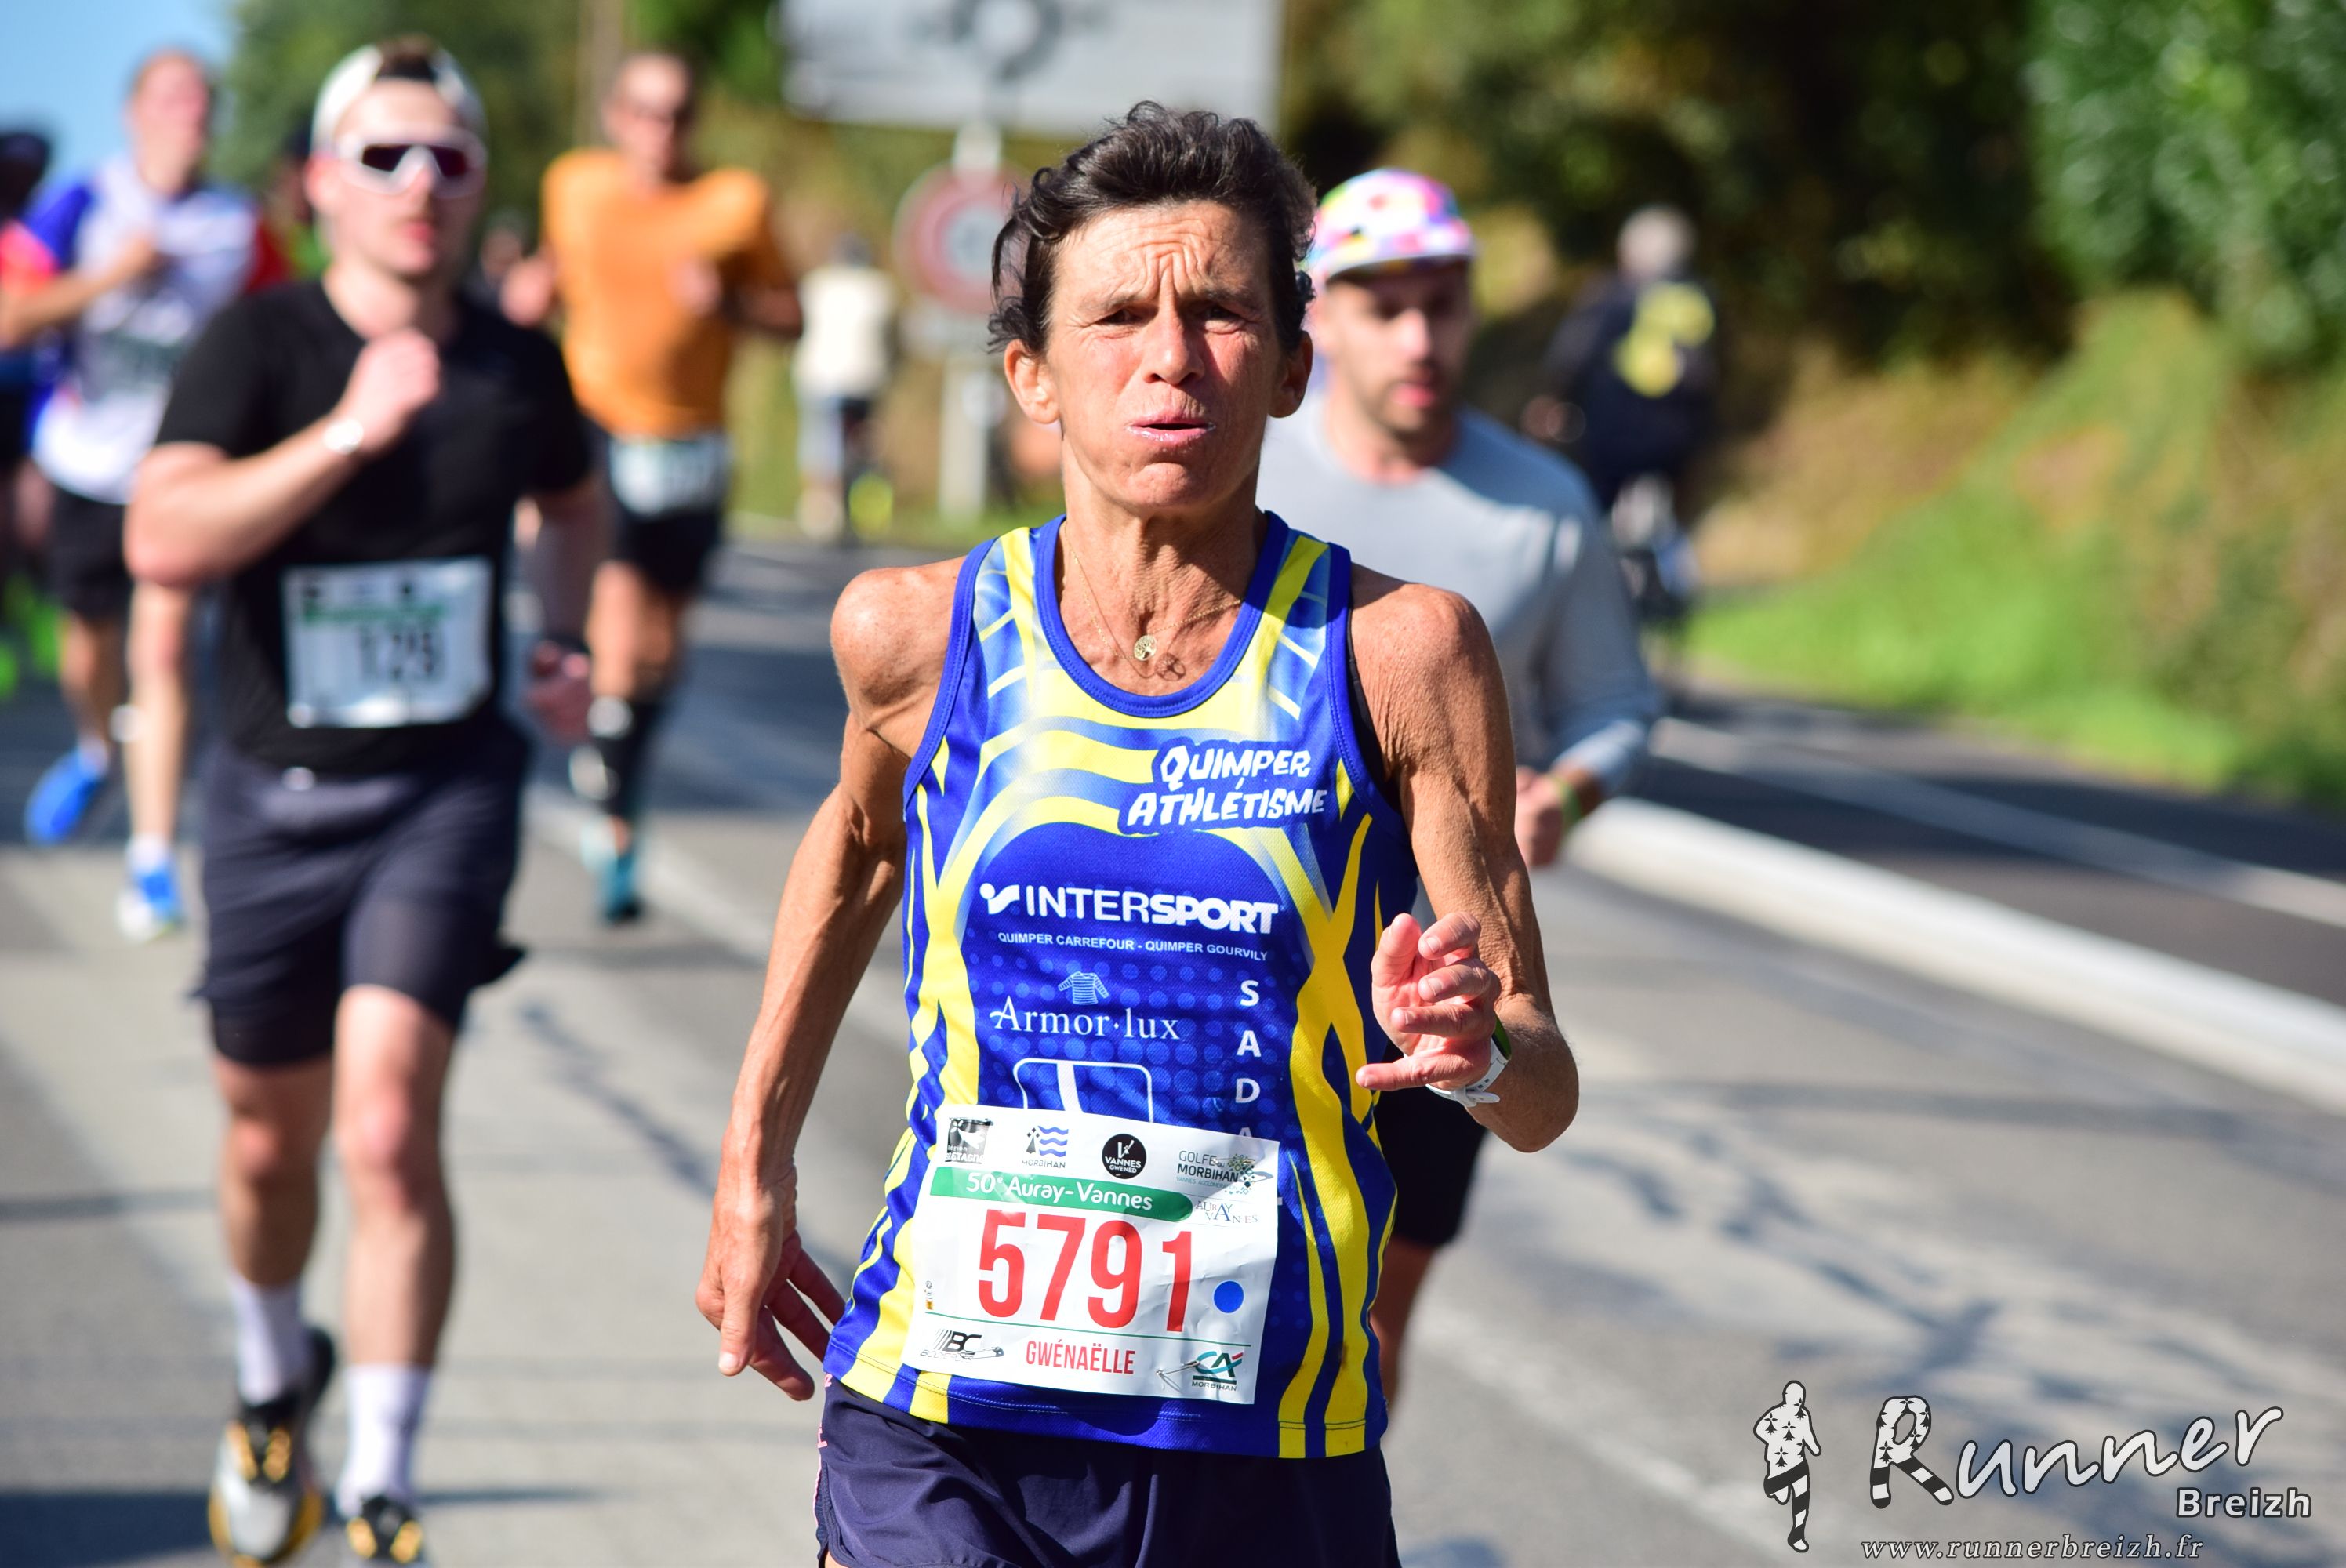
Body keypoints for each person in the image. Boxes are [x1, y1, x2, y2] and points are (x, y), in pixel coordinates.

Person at [695, 103, 1580, 1568]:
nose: (1171, 356)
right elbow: (855, 856)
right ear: (1031, 374)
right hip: (943, 1410)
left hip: (1263, 1438)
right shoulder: (915, 637)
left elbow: (1541, 1091)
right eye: (1117, 317)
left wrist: (1476, 1049)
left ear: (1291, 367)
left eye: (1222, 312)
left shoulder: (1401, 656)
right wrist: (754, 1166)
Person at [124, 38, 602, 1567]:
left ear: (479, 189)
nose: (419, 185)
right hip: (272, 800)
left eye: (448, 160)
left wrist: (561, 637)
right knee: (270, 1144)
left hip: (440, 793)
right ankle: (275, 1378)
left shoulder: (517, 362)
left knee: (388, 1126)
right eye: (384, 157)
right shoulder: (257, 344)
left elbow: (575, 501)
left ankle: (385, 1484)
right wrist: (347, 429)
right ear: (321, 184)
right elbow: (161, 539)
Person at [1257, 168, 1661, 1407]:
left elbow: (1615, 704)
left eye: (1441, 305)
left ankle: (1336, 1493)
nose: (1418, 338)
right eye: (1384, 308)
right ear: (1318, 317)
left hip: (1440, 969)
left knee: (1369, 1322)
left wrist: (1563, 797)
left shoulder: (1541, 506)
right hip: (1255, 943)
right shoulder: (1243, 470)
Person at [503, 49, 801, 923]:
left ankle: (619, 779)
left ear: (694, 122)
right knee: (624, 621)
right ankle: (613, 810)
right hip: (600, 424)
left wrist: (730, 304)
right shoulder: (575, 186)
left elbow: (792, 314)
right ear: (616, 116)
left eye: (676, 114)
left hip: (693, 441)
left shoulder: (735, 203)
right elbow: (556, 267)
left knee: (664, 644)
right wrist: (532, 293)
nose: (659, 130)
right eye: (643, 110)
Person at [0, 52, 283, 940]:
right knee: (90, 649)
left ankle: (152, 859)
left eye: (202, 100)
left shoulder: (239, 226)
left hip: (182, 475)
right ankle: (96, 748)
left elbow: (289, 332)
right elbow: (11, 316)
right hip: (86, 463)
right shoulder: (84, 203)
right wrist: (116, 275)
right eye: (171, 97)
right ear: (134, 113)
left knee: (162, 649)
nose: (188, 113)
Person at [1527, 204, 1720, 514]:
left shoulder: (1610, 294)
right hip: (1678, 441)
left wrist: (1552, 401)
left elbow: (1571, 358)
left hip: (1613, 437)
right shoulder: (1701, 298)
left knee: (1599, 515)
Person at [792, 234, 895, 540]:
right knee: (862, 442)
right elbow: (892, 339)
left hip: (820, 377)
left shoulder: (817, 286)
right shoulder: (880, 290)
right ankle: (863, 503)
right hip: (866, 378)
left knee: (819, 438)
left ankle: (821, 506)